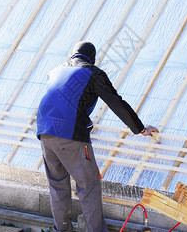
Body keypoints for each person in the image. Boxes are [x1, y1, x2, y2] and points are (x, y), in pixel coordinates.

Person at [36, 41, 158, 232]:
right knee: (89, 186)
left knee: (57, 186)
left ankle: (60, 230)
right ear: (92, 59)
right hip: (71, 134)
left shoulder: (56, 70)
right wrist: (140, 128)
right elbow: (116, 102)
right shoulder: (92, 72)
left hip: (44, 131)